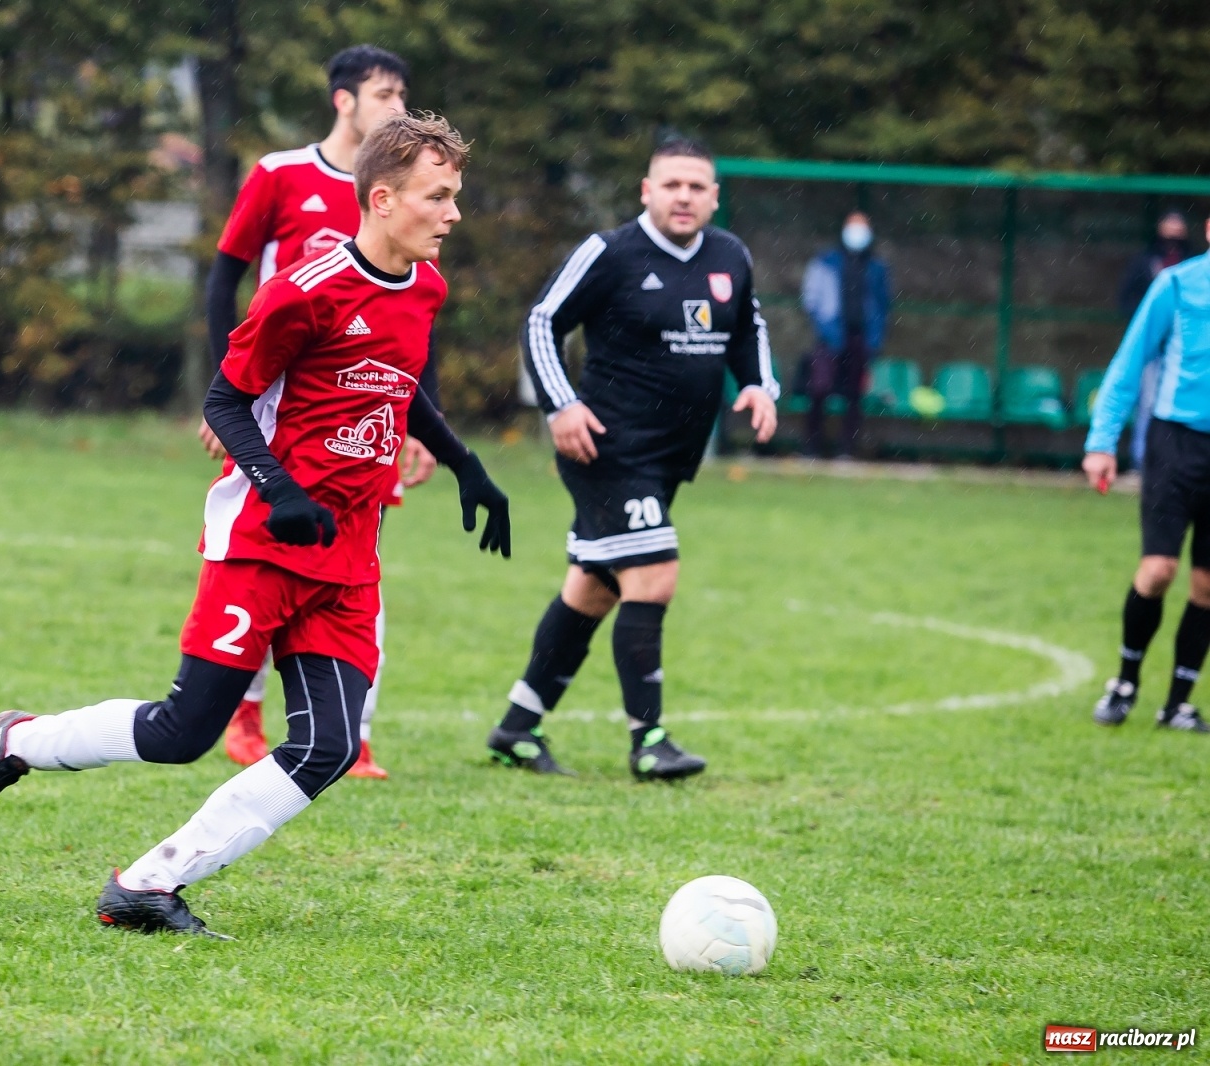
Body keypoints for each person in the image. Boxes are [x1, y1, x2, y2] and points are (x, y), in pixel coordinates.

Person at [0, 114, 511, 937]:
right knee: (183, 732)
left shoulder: (424, 287)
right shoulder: (303, 292)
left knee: (330, 745)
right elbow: (224, 401)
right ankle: (18, 741)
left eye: (455, 195)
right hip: (262, 544)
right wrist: (279, 489)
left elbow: (401, 378)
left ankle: (148, 884)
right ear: (383, 200)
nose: (454, 213)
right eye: (439, 196)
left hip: (347, 558)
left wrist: (466, 465)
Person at [487, 136, 779, 780]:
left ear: (714, 198)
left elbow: (747, 329)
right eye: (671, 184)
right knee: (654, 575)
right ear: (646, 190)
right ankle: (650, 741)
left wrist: (760, 384)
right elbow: (542, 322)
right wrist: (560, 406)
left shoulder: (730, 256)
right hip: (606, 447)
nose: (684, 196)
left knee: (592, 590)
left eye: (697, 187)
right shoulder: (610, 252)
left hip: (670, 456)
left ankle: (518, 725)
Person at [200, 44, 436, 778]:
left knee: (358, 555)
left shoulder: (395, 195)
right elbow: (224, 283)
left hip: (367, 410)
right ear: (345, 100)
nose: (397, 106)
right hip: (278, 411)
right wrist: (223, 393)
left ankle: (352, 731)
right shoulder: (280, 175)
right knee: (264, 554)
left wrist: (420, 425)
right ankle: (241, 714)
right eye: (385, 94)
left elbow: (404, 327)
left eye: (403, 93)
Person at [1086, 213, 1210, 734]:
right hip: (1175, 443)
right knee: (1159, 570)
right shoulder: (1177, 285)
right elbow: (1128, 362)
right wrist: (1101, 442)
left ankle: (1177, 703)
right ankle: (1125, 681)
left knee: (1207, 586)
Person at [799, 210, 889, 458]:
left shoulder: (876, 267)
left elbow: (882, 305)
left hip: (861, 338)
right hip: (829, 336)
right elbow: (812, 299)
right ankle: (812, 447)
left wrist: (875, 339)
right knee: (819, 389)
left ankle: (846, 449)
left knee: (854, 395)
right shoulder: (826, 262)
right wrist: (826, 328)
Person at [1118, 209, 1193, 471]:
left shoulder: (1191, 265)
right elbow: (1126, 300)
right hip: (1154, 349)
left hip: (1185, 350)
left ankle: (1181, 463)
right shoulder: (1147, 261)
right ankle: (1142, 460)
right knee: (1148, 403)